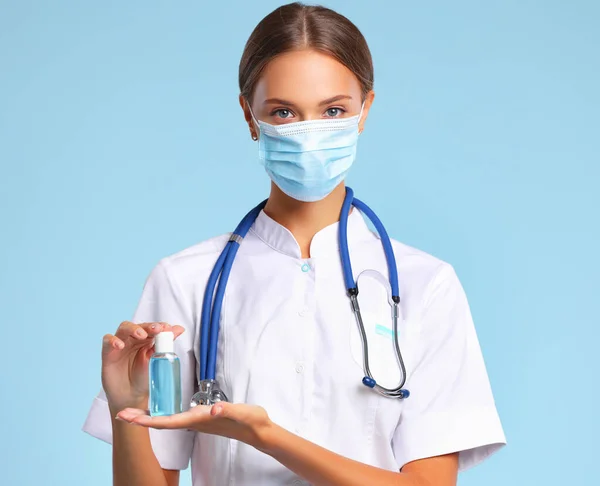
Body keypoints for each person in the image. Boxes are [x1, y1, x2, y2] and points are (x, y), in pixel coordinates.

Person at [82, 3, 506, 485]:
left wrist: (268, 437)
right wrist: (127, 408)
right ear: (249, 115)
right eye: (283, 112)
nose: (309, 135)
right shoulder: (187, 280)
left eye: (333, 111)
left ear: (365, 110)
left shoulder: (424, 285)